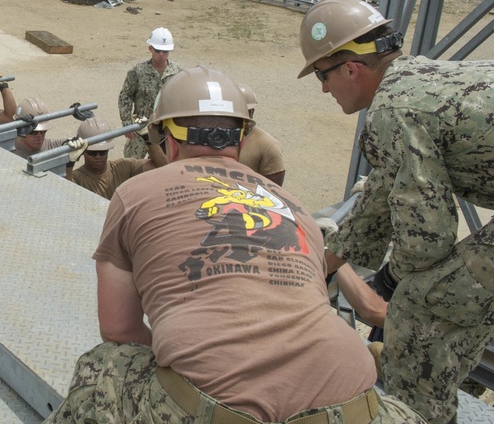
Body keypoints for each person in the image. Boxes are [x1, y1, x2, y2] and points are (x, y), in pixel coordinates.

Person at [47, 66, 425, 424]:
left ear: (168, 139)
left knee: (105, 365)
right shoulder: (295, 209)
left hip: (221, 409)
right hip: (353, 403)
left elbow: (119, 329)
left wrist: (186, 360)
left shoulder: (134, 195)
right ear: (242, 137)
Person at [298, 0, 494, 424]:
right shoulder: (418, 79)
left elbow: (428, 238)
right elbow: (383, 192)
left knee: (418, 306)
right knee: (450, 302)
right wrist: (323, 262)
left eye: (322, 75)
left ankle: (416, 415)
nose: (324, 88)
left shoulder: (392, 110)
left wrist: (392, 280)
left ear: (350, 68)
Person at [118, 27, 183, 159]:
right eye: (158, 50)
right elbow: (125, 96)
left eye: (165, 51)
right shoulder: (137, 71)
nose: (161, 54)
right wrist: (127, 123)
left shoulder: (178, 73)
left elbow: (183, 99)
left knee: (163, 166)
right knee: (132, 165)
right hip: (141, 128)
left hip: (166, 130)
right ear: (150, 49)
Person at [63, 117, 163, 199]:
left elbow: (162, 167)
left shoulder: (123, 167)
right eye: (92, 153)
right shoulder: (77, 178)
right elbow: (65, 194)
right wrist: (69, 164)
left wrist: (148, 138)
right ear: (83, 152)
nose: (98, 156)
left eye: (102, 152)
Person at [236, 83, 286, 185]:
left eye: (244, 111)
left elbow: (273, 191)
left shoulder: (268, 146)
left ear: (252, 113)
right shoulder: (211, 139)